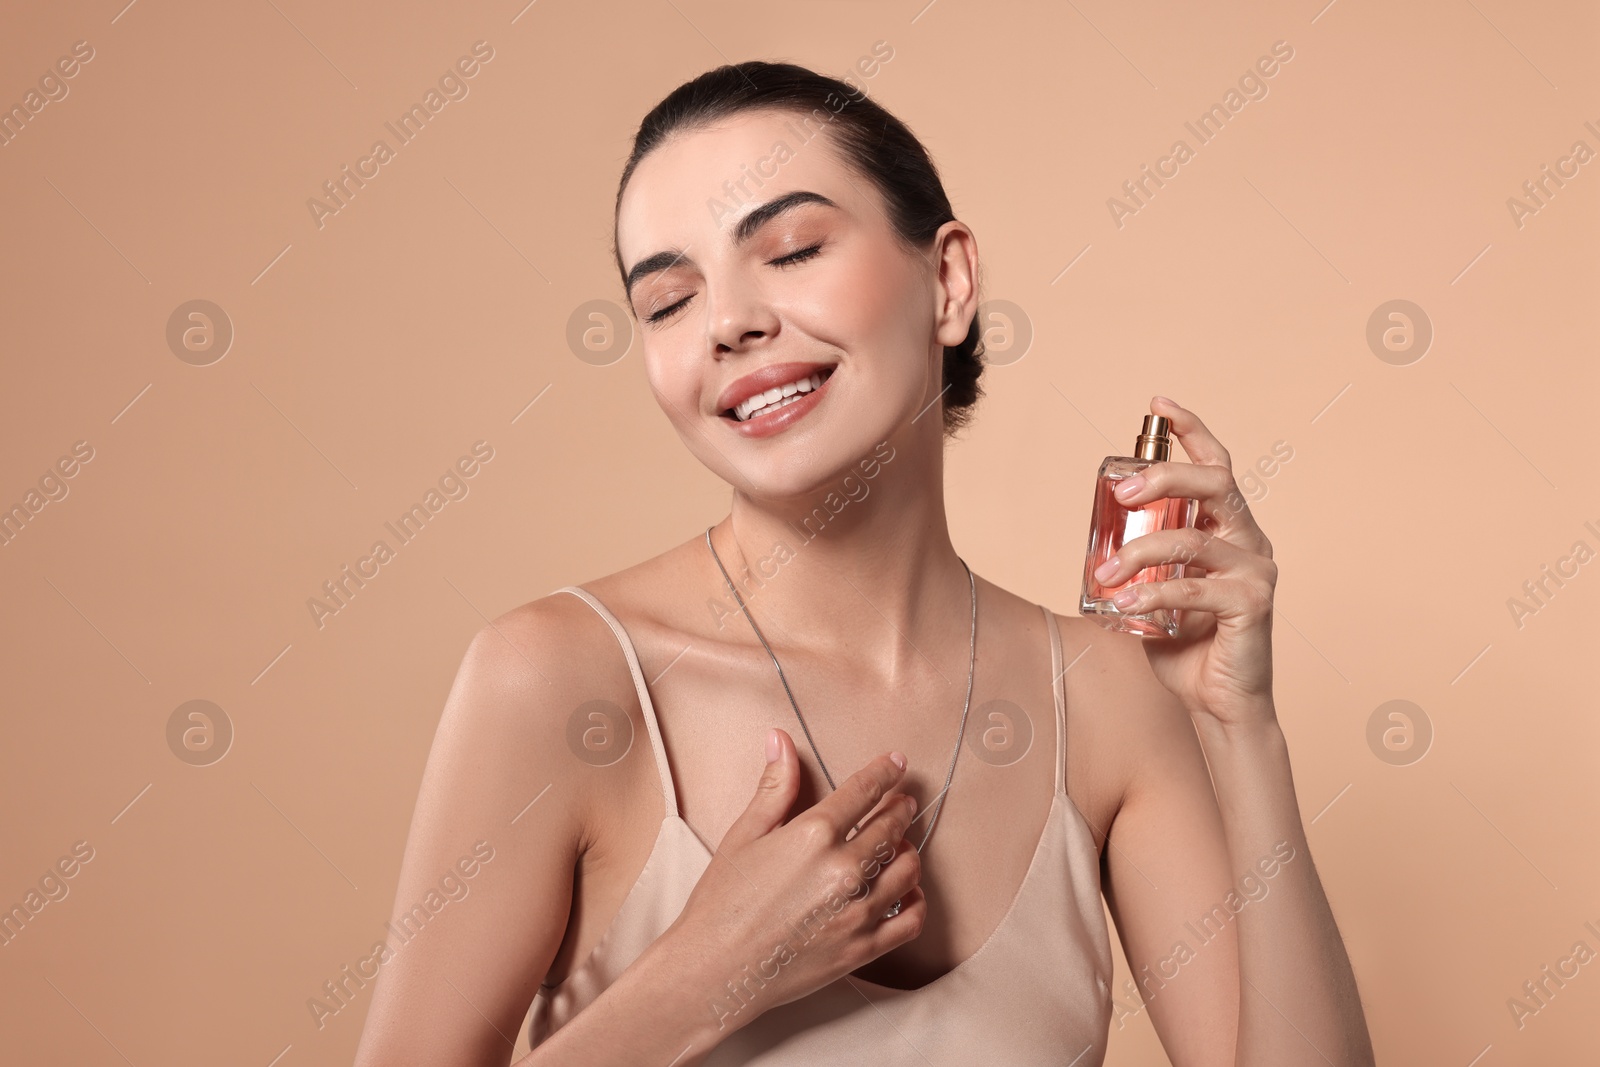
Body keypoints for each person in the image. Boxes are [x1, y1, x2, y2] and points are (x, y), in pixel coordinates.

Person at [353, 61, 1375, 1066]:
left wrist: (1240, 731)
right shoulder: (558, 680)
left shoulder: (1104, 694)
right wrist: (698, 979)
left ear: (948, 280)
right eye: (666, 301)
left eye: (791, 248)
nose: (726, 322)